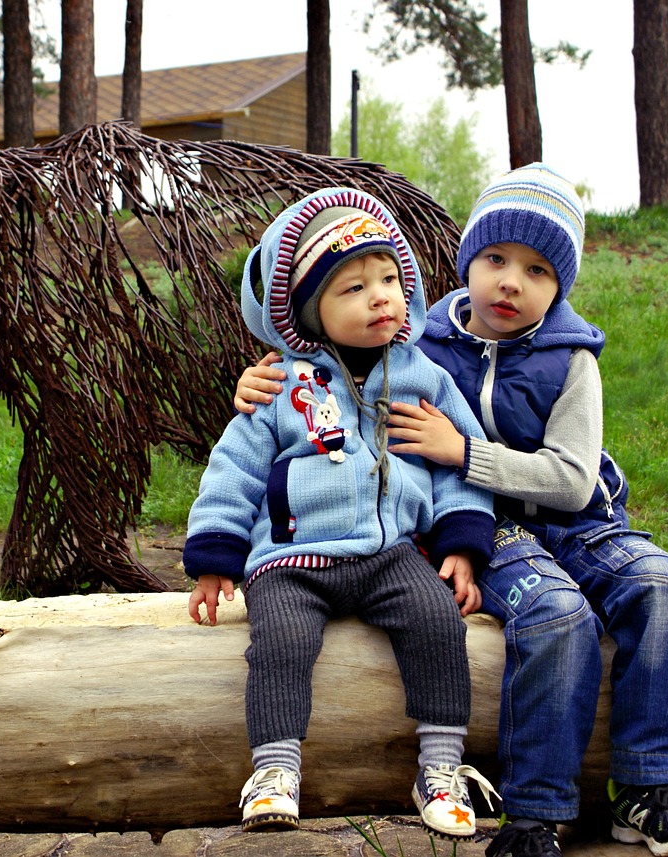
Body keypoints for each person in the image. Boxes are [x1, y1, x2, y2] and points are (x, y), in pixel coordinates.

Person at [233, 165, 668, 857]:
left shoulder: (572, 359)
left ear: (562, 285)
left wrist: (463, 451)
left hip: (579, 516)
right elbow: (332, 370)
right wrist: (263, 375)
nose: (511, 281)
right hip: (497, 526)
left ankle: (648, 785)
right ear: (469, 261)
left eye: (537, 270)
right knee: (558, 615)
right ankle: (536, 813)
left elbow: (575, 481)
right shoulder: (419, 340)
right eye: (495, 259)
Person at [184, 187, 499, 839]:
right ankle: (274, 769)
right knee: (281, 640)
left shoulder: (424, 377)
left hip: (390, 554)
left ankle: (440, 767)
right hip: (291, 560)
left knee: (439, 622)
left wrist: (463, 544)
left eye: (388, 278)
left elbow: (458, 460)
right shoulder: (280, 385)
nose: (380, 295)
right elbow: (233, 469)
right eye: (353, 288)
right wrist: (215, 557)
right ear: (311, 312)